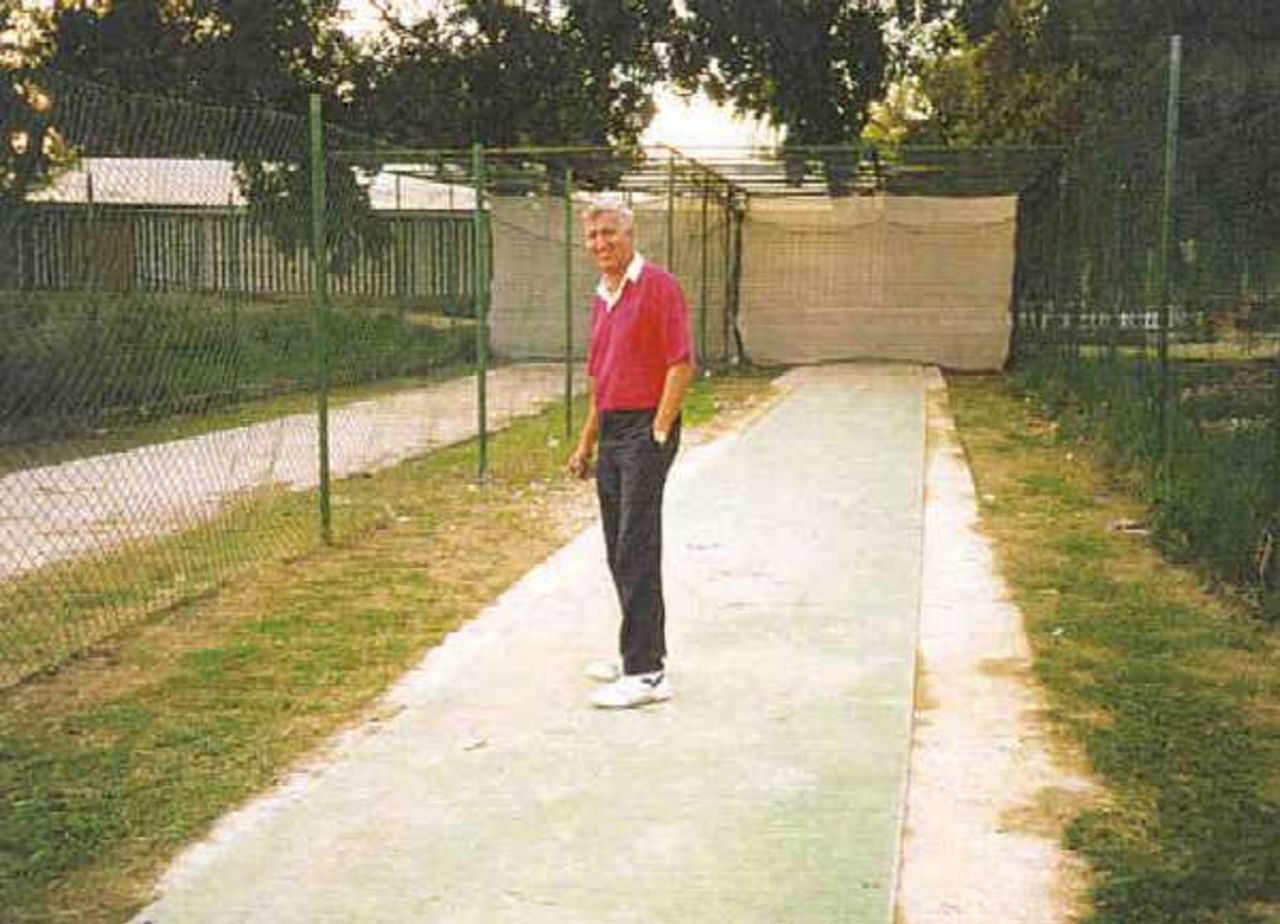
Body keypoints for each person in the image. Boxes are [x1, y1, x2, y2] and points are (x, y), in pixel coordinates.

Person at [567, 196, 695, 710]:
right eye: (592, 237)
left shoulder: (659, 286)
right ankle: (637, 650)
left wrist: (660, 429)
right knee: (617, 545)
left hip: (646, 427)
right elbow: (602, 380)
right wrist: (585, 444)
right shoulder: (602, 297)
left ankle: (647, 674)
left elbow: (681, 362)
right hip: (614, 426)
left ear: (629, 232)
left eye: (608, 234)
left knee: (636, 544)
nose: (600, 244)